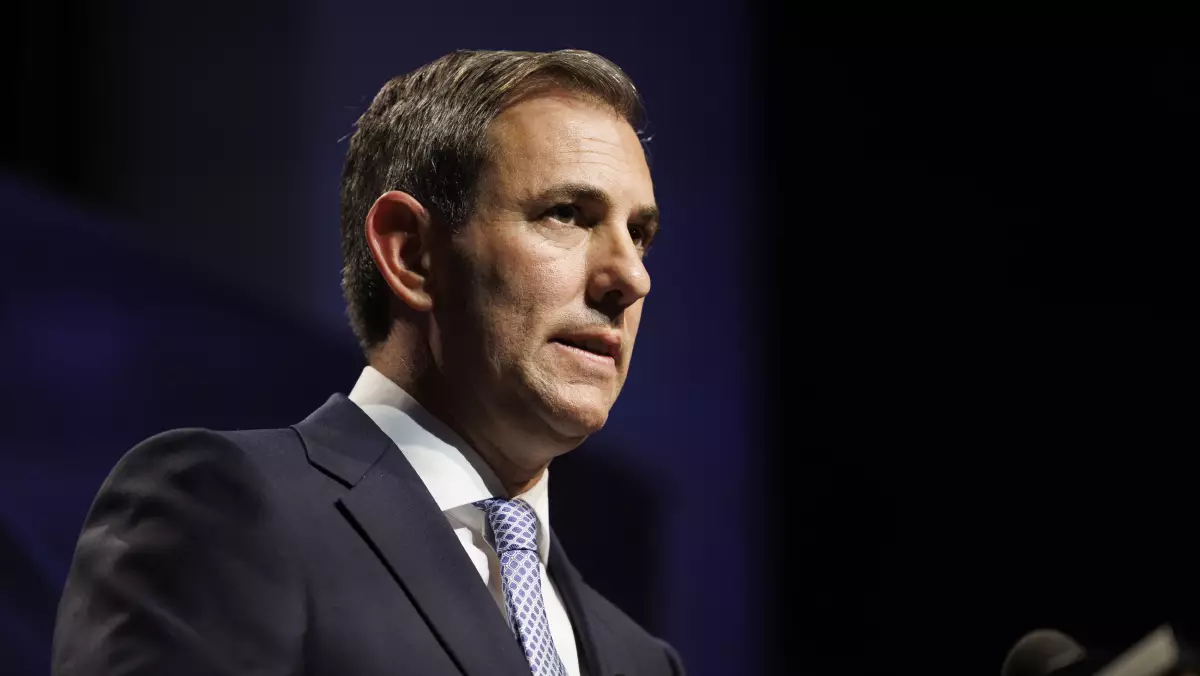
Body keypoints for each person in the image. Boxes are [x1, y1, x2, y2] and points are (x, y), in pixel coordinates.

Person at [51, 49, 682, 676]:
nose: (630, 277)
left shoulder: (642, 659)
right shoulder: (223, 511)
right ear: (410, 255)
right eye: (567, 214)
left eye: (640, 235)